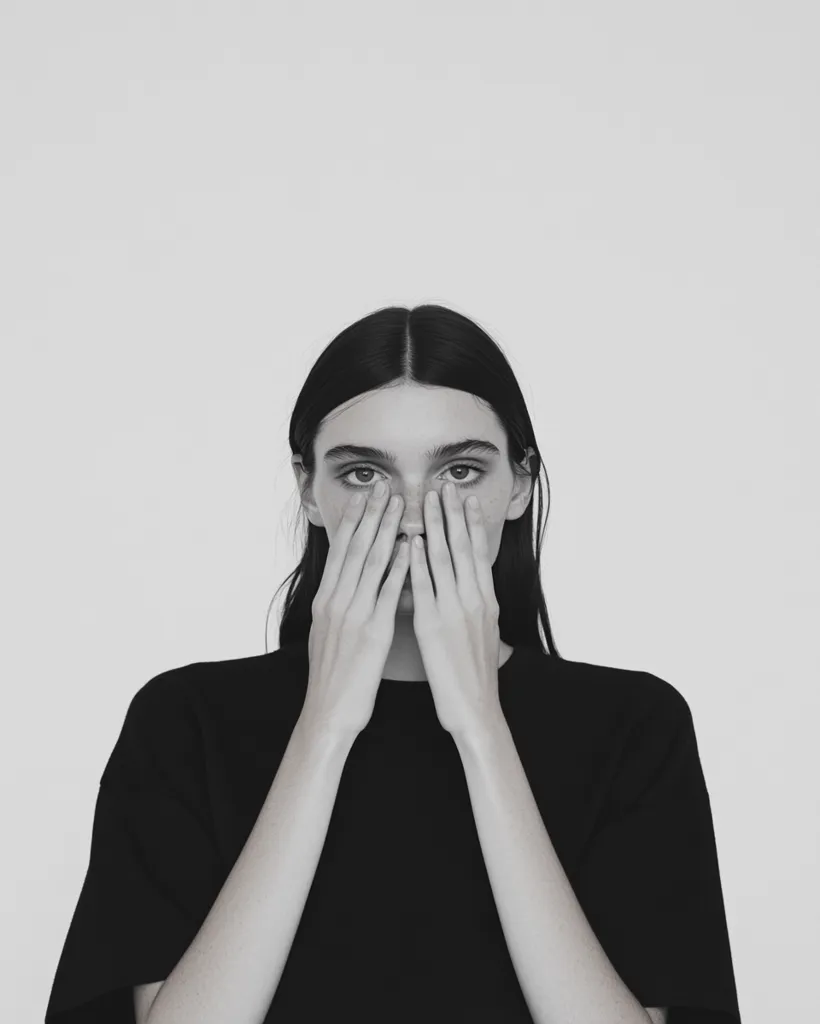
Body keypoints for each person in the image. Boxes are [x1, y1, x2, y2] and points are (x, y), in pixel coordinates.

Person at [44, 305, 742, 1023]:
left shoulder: (633, 727)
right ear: (309, 489)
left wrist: (479, 725)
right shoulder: (184, 721)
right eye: (365, 474)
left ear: (521, 485)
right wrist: (324, 726)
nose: (412, 513)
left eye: (461, 470)